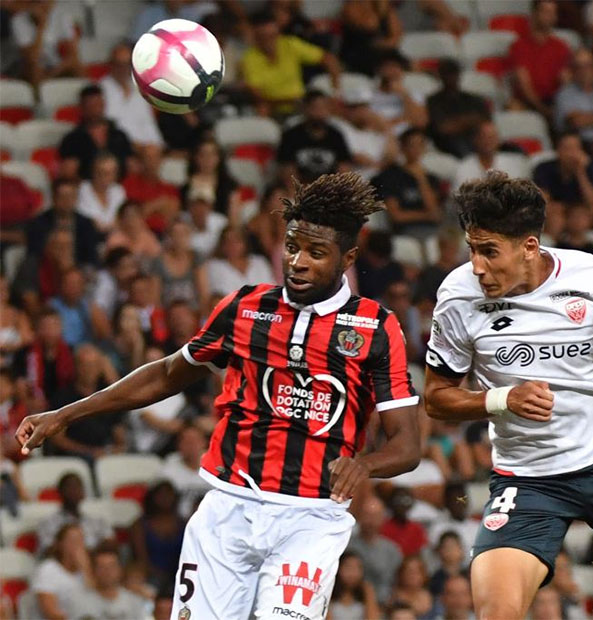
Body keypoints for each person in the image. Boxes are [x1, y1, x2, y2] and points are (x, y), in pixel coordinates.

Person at [15, 172, 421, 619]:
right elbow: (167, 373)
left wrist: (364, 463)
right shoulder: (246, 307)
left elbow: (406, 445)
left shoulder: (375, 327)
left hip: (311, 516)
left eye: (315, 252)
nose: (297, 263)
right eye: (291, 248)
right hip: (228, 506)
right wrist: (65, 413)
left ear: (348, 257)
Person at [423, 172, 593, 620]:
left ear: (529, 247)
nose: (477, 266)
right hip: (528, 479)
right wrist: (501, 400)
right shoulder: (456, 297)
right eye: (472, 248)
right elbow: (436, 398)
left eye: (490, 251)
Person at [240, 9, 340, 114]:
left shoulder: (289, 44)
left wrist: (335, 93)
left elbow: (329, 59)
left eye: (273, 36)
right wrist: (291, 101)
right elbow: (258, 97)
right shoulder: (249, 59)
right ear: (256, 37)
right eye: (264, 37)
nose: (271, 41)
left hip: (303, 108)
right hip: (276, 111)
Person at [372, 127, 443, 238]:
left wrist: (421, 179)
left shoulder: (430, 178)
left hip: (432, 230)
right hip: (404, 232)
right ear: (403, 148)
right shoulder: (391, 176)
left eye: (420, 145)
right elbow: (396, 216)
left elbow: (435, 213)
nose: (416, 149)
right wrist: (425, 215)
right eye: (412, 145)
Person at [507, 0, 572, 118]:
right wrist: (542, 109)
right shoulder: (519, 46)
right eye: (546, 12)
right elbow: (524, 84)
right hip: (528, 102)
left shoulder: (561, 46)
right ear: (534, 14)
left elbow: (565, 81)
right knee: (513, 108)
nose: (550, 17)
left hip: (554, 100)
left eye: (553, 13)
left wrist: (561, 105)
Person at [276, 89, 352, 184]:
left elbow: (344, 168)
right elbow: (287, 170)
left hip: (329, 190)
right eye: (315, 107)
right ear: (305, 108)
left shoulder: (336, 135)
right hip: (300, 188)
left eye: (324, 107)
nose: (320, 112)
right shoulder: (292, 135)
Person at [58, 84, 132, 180]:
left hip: (118, 187)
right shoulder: (72, 139)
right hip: (87, 189)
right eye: (91, 106)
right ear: (82, 108)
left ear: (103, 105)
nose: (95, 110)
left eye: (98, 105)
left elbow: (131, 165)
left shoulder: (119, 135)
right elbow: (68, 172)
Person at [99, 41, 165, 147]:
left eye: (127, 64)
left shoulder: (140, 89)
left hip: (147, 147)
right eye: (119, 65)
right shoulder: (101, 90)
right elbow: (109, 126)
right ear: (110, 64)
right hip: (119, 146)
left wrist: (158, 146)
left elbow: (148, 122)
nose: (123, 69)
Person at [426, 58, 491, 158]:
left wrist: (459, 123)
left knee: (508, 147)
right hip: (448, 144)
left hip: (475, 138)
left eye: (453, 73)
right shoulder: (433, 100)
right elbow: (443, 128)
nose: (451, 77)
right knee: (461, 146)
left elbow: (486, 121)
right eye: (447, 73)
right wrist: (470, 121)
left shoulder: (473, 99)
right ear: (440, 75)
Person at [36, 472, 114, 553]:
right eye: (70, 487)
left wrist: (90, 553)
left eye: (78, 487)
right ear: (60, 492)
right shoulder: (48, 522)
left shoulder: (96, 521)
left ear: (83, 493)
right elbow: (49, 550)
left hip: (94, 560)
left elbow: (110, 542)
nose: (74, 491)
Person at [348, 496, 404, 604]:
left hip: (385, 603)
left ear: (383, 518)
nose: (371, 521)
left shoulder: (392, 550)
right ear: (359, 516)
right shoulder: (346, 545)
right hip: (352, 603)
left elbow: (398, 583)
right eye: (367, 515)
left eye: (375, 516)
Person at [71, 543, 148, 619]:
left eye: (111, 566)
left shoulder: (134, 601)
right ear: (93, 571)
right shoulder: (80, 602)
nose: (107, 572)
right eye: (102, 567)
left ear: (120, 570)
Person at [451, 121, 529, 191]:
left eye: (492, 137)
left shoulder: (514, 164)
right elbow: (457, 198)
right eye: (484, 137)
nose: (488, 141)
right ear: (475, 139)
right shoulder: (462, 167)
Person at [329, 550, 380, 620]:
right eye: (348, 567)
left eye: (358, 568)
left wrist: (368, 594)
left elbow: (373, 618)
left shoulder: (366, 590)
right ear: (338, 569)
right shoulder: (328, 590)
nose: (353, 573)